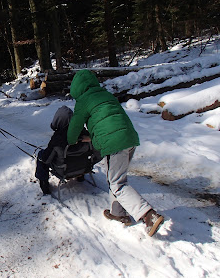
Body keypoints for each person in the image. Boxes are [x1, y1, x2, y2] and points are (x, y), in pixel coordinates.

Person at [67, 70, 164, 237]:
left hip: (115, 144)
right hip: (129, 138)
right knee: (117, 179)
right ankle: (118, 213)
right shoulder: (106, 94)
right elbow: (108, 123)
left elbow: (74, 128)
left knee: (117, 184)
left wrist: (72, 139)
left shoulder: (83, 100)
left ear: (76, 87)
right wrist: (90, 138)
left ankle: (148, 215)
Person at [35, 106, 97, 194]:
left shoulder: (58, 138)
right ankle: (80, 176)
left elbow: (46, 159)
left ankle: (44, 183)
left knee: (41, 155)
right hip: (84, 166)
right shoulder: (84, 133)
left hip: (64, 170)